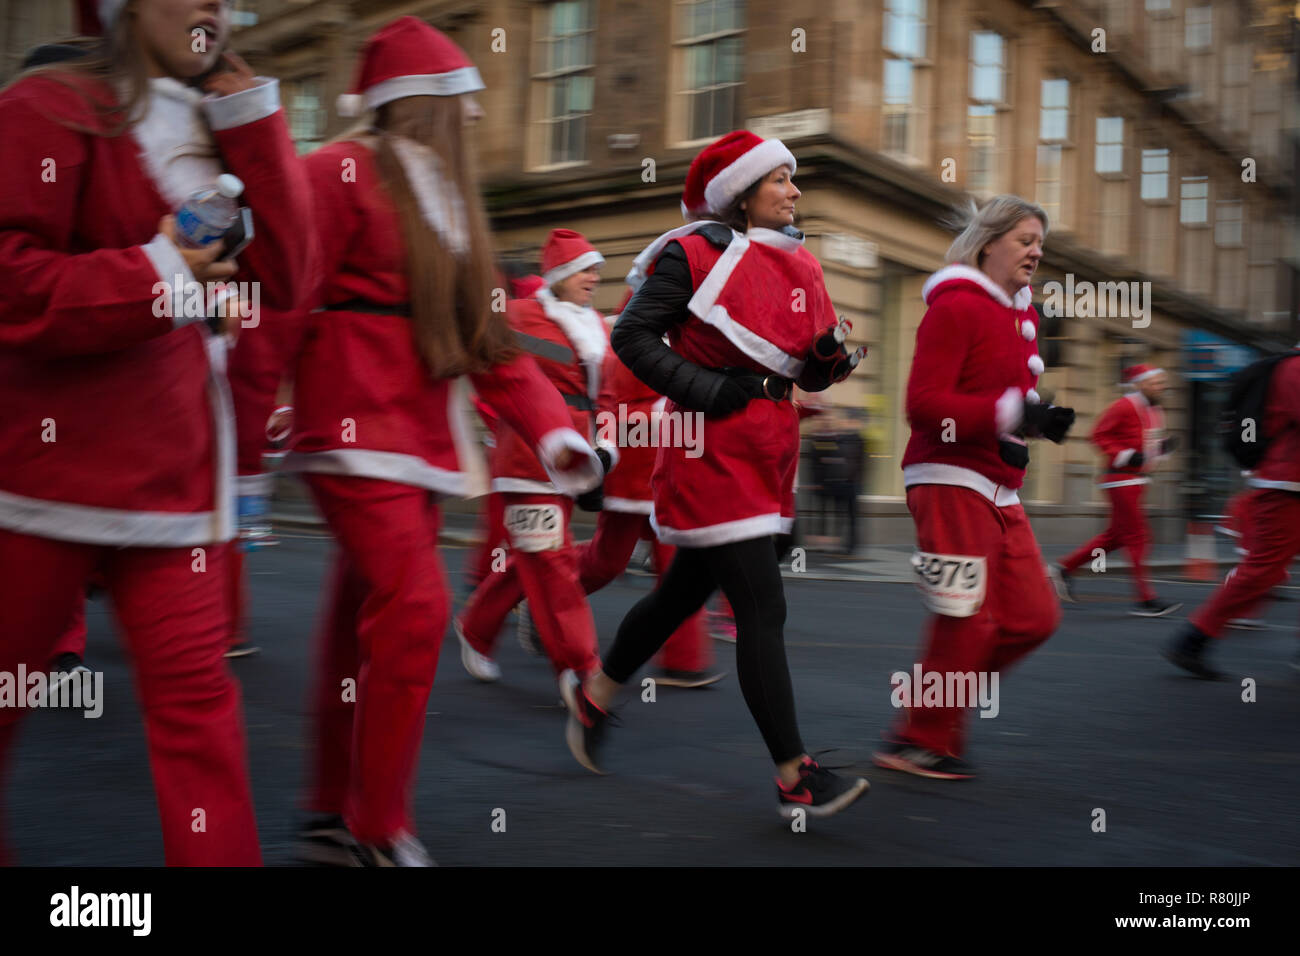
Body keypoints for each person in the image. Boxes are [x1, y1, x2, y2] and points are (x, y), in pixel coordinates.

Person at [269, 17, 602, 866]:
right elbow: (283, 295)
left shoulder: (451, 207)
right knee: (415, 609)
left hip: (414, 440)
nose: (478, 120)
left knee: (356, 621)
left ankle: (327, 811)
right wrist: (251, 407)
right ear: (424, 105)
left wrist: (558, 436)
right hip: (352, 433)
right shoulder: (337, 171)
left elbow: (491, 346)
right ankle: (379, 826)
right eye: (464, 102)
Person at [0, 0, 314, 864]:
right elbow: (10, 279)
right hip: (37, 483)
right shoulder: (45, 107)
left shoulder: (223, 126)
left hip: (177, 485)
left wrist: (254, 122)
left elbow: (289, 277)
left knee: (201, 726)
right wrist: (161, 273)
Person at [560, 130, 870, 820]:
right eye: (780, 180)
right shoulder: (693, 252)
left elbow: (804, 369)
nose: (795, 191)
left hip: (769, 452)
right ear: (741, 192)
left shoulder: (804, 265)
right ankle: (795, 774)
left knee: (679, 595)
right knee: (762, 605)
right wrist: (705, 389)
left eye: (794, 180)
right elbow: (632, 337)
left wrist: (828, 360)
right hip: (708, 447)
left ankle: (594, 696)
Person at [873, 196, 1074, 781]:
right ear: (989, 243)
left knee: (1035, 617)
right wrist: (1013, 414)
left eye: (1041, 241)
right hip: (946, 480)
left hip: (998, 487)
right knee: (966, 617)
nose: (1037, 250)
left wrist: (1032, 421)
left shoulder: (1017, 315)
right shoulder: (956, 306)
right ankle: (920, 738)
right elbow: (923, 406)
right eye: (1025, 239)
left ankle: (932, 705)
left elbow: (1002, 406)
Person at [454, 229, 616, 689]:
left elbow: (604, 394)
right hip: (526, 458)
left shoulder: (598, 327)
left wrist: (606, 443)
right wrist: (497, 426)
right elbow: (485, 367)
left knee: (537, 555)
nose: (593, 277)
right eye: (585, 268)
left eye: (596, 268)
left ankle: (475, 628)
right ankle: (581, 671)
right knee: (552, 561)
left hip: (578, 461)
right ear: (560, 274)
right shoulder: (518, 315)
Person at [1165, 345, 1300, 678]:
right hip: (1287, 485)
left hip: (1286, 482)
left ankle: (1193, 639)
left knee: (1262, 569)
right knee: (1262, 570)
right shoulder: (1295, 368)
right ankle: (1193, 639)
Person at [1051, 365, 1182, 617]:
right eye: (1155, 382)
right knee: (1138, 538)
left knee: (1116, 537)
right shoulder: (1124, 405)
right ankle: (1146, 600)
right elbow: (1098, 435)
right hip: (1120, 479)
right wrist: (1125, 455)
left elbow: (1145, 447)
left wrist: (1162, 449)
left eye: (1162, 382)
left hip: (1136, 479)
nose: (1160, 387)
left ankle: (1064, 569)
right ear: (1140, 383)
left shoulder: (1153, 410)